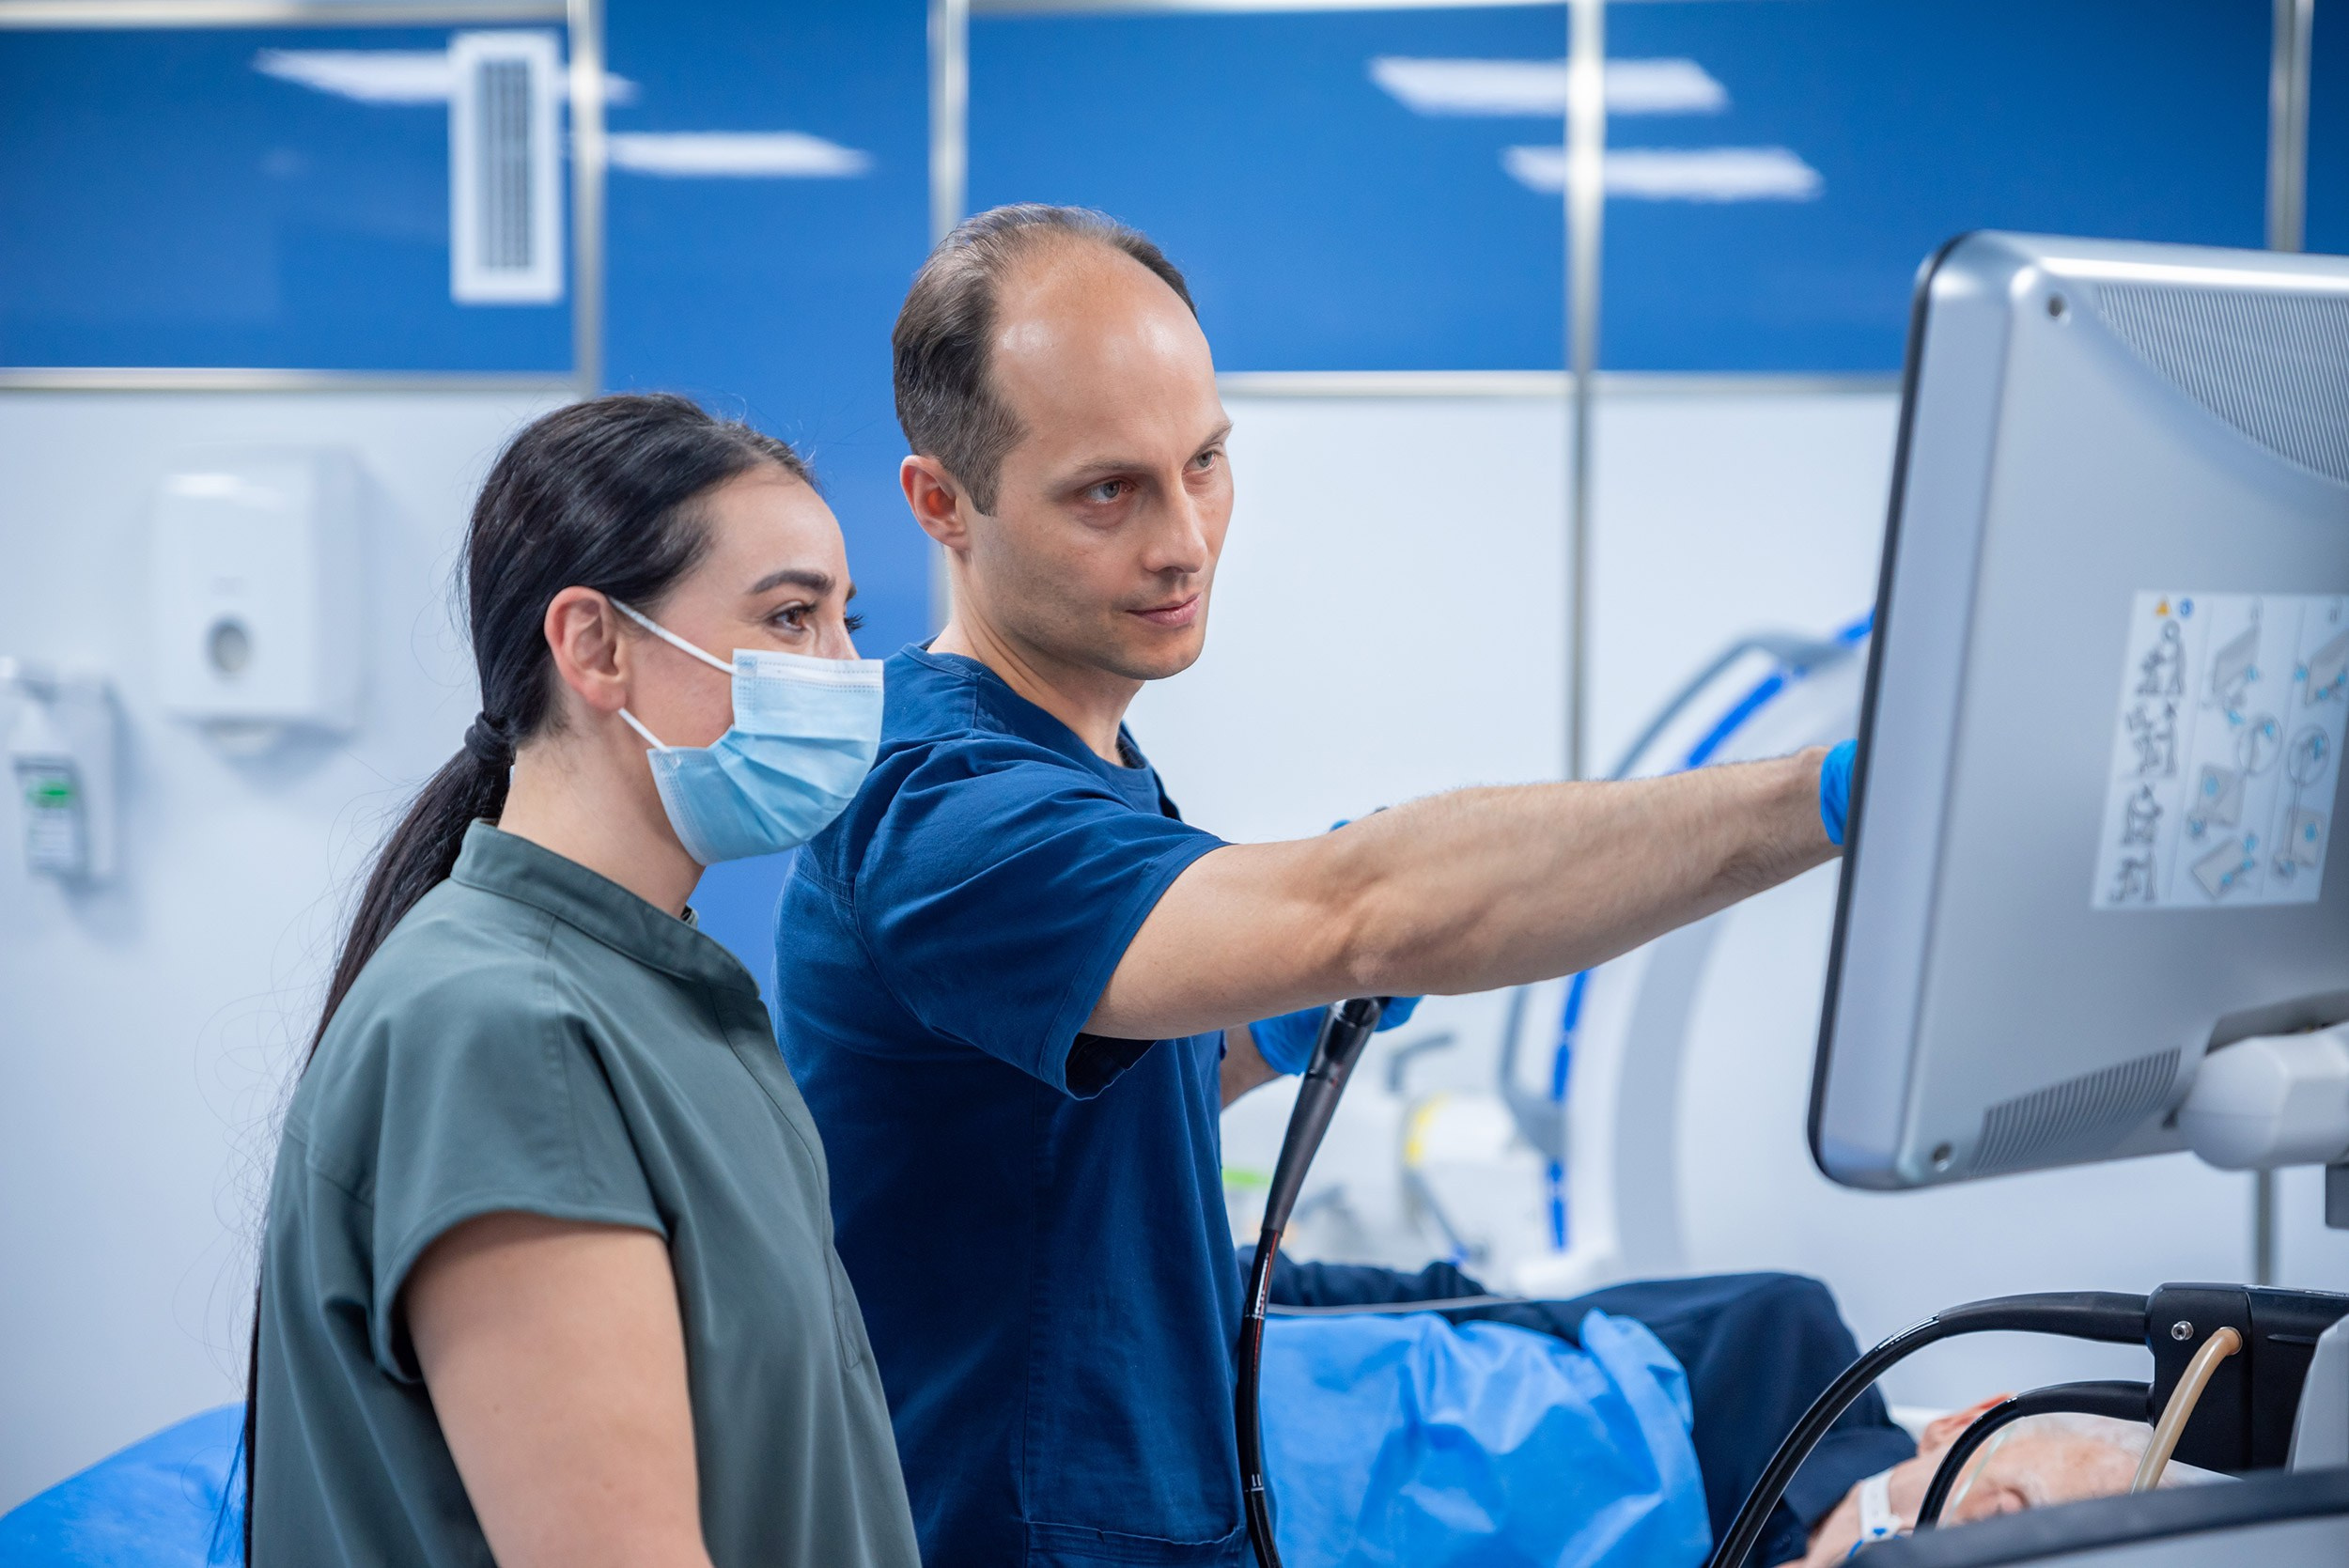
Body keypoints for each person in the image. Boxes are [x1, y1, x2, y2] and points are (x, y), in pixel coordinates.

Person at [773, 203, 1858, 1568]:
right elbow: (1361, 903)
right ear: (942, 504)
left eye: (1208, 463)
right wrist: (1822, 797)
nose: (1186, 540)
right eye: (1110, 490)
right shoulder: (938, 807)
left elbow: (1051, 1131)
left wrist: (1249, 1037)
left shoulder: (1083, 762)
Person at [245, 394, 920, 1568]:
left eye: (843, 621)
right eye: (792, 618)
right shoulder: (504, 1033)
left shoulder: (649, 994)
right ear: (596, 646)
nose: (848, 674)